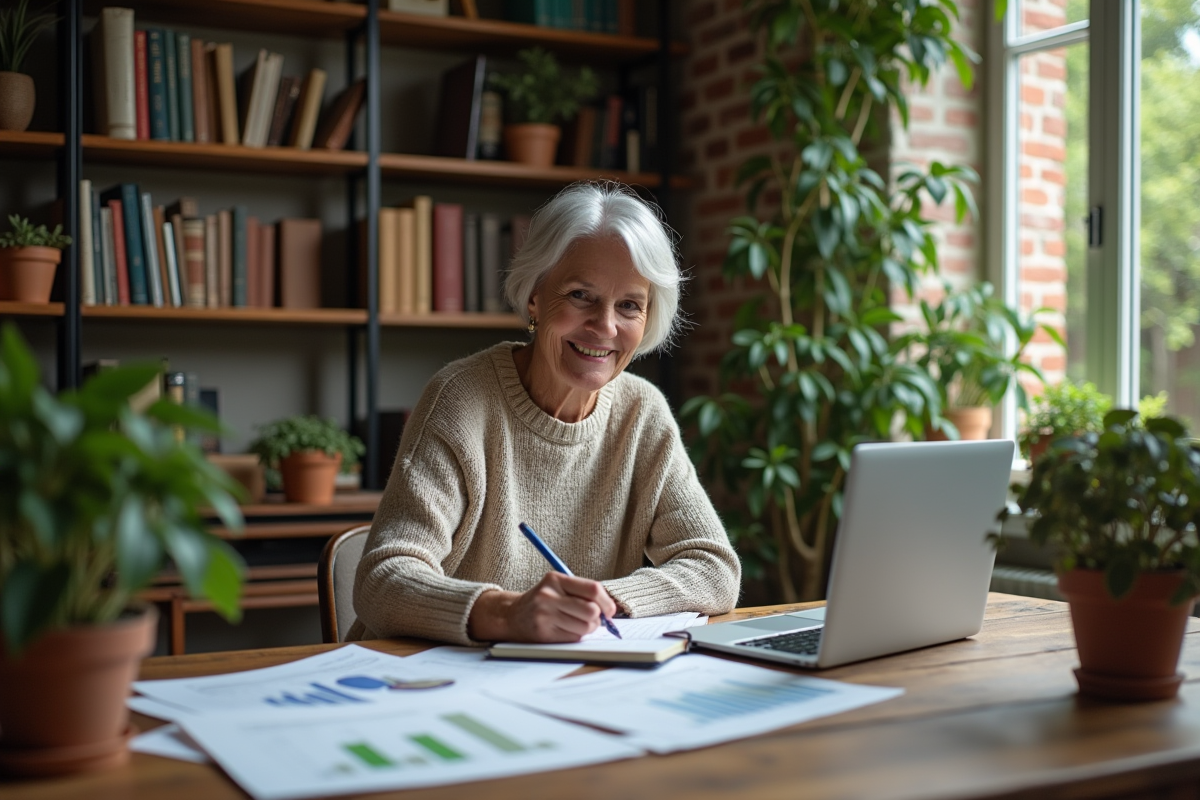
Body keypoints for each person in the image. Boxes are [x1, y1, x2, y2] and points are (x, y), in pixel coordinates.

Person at [347, 182, 740, 646]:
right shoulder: (461, 400)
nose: (605, 326)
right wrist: (505, 614)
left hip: (564, 673)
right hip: (421, 672)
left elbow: (715, 568)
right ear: (535, 295)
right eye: (580, 295)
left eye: (629, 305)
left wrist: (600, 603)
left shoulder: (642, 412)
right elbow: (383, 579)